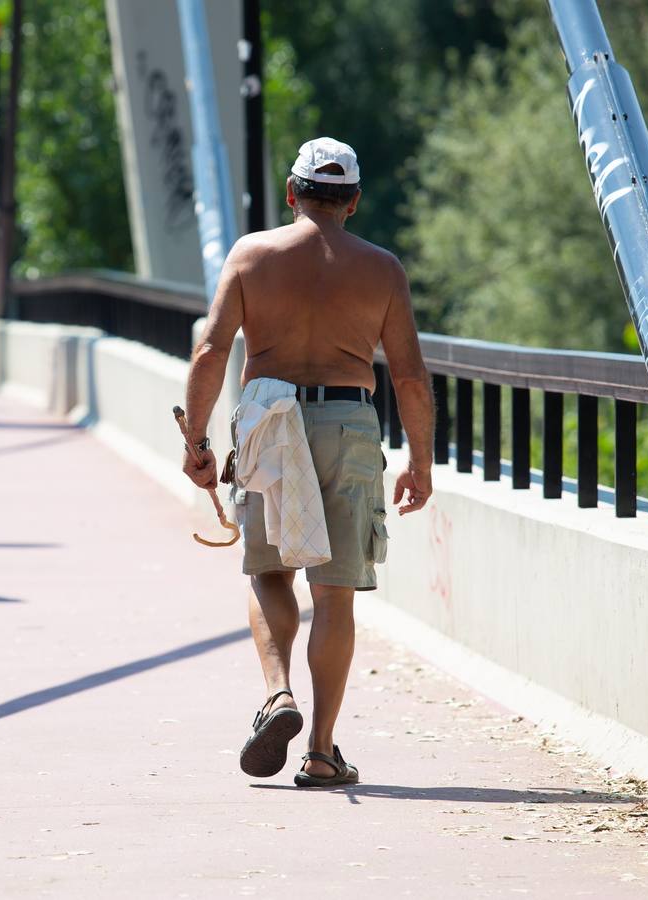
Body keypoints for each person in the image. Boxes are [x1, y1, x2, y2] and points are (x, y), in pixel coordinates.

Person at [180, 137, 434, 787]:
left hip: (270, 419)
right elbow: (409, 377)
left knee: (270, 572)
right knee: (335, 591)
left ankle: (277, 694)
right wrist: (420, 462)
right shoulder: (381, 270)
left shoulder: (251, 256)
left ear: (291, 194)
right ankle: (322, 751)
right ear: (353, 201)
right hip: (348, 421)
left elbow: (211, 351)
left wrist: (199, 445)